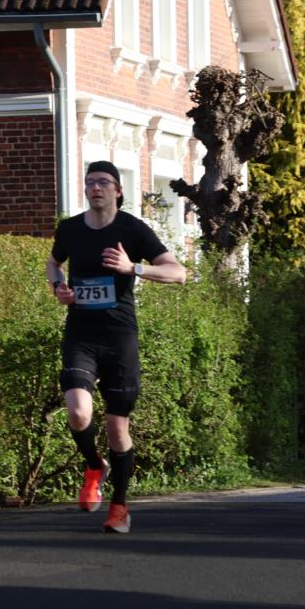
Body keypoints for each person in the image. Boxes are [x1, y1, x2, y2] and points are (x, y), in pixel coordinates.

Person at [46, 161, 186, 533]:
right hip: (81, 334)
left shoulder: (132, 230)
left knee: (116, 429)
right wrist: (58, 288)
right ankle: (94, 465)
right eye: (90, 182)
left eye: (103, 183)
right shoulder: (71, 230)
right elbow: (53, 262)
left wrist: (133, 268)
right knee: (77, 412)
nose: (95, 188)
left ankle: (120, 507)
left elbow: (178, 272)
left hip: (120, 339)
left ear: (118, 191)